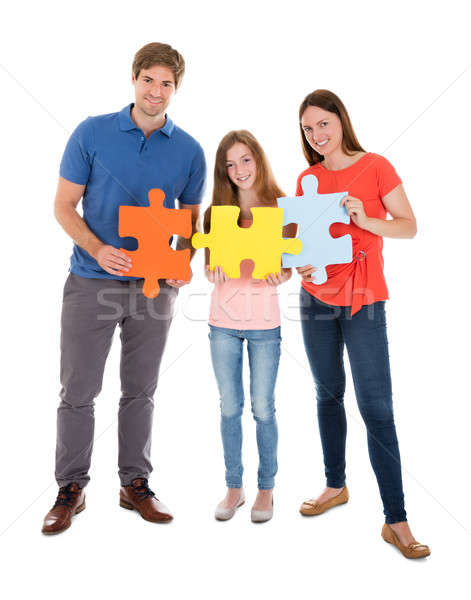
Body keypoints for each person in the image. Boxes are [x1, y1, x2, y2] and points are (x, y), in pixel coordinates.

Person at [42, 42, 206, 535]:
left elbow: (191, 222)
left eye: (167, 84)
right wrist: (98, 250)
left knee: (141, 391)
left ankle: (135, 483)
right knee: (78, 390)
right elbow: (64, 206)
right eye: (149, 80)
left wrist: (184, 263)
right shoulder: (92, 132)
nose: (156, 91)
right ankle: (71, 488)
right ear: (134, 79)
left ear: (177, 89)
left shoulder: (190, 150)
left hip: (155, 289)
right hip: (91, 282)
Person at [295, 89, 430, 559]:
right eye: (308, 129)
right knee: (327, 394)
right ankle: (336, 486)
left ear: (340, 121)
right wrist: (302, 267)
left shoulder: (375, 166)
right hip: (315, 301)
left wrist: (367, 218)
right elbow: (301, 248)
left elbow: (409, 225)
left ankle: (397, 520)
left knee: (377, 407)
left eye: (323, 125)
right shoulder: (307, 177)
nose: (317, 135)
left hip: (364, 300)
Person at [204, 131, 294, 523]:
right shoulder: (216, 213)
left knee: (262, 408)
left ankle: (267, 491)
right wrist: (211, 270)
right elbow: (208, 268)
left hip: (264, 325)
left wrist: (282, 276)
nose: (238, 169)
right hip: (222, 322)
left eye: (245, 160)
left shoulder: (282, 208)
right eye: (229, 163)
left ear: (258, 160)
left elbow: (290, 265)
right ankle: (233, 488)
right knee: (229, 408)